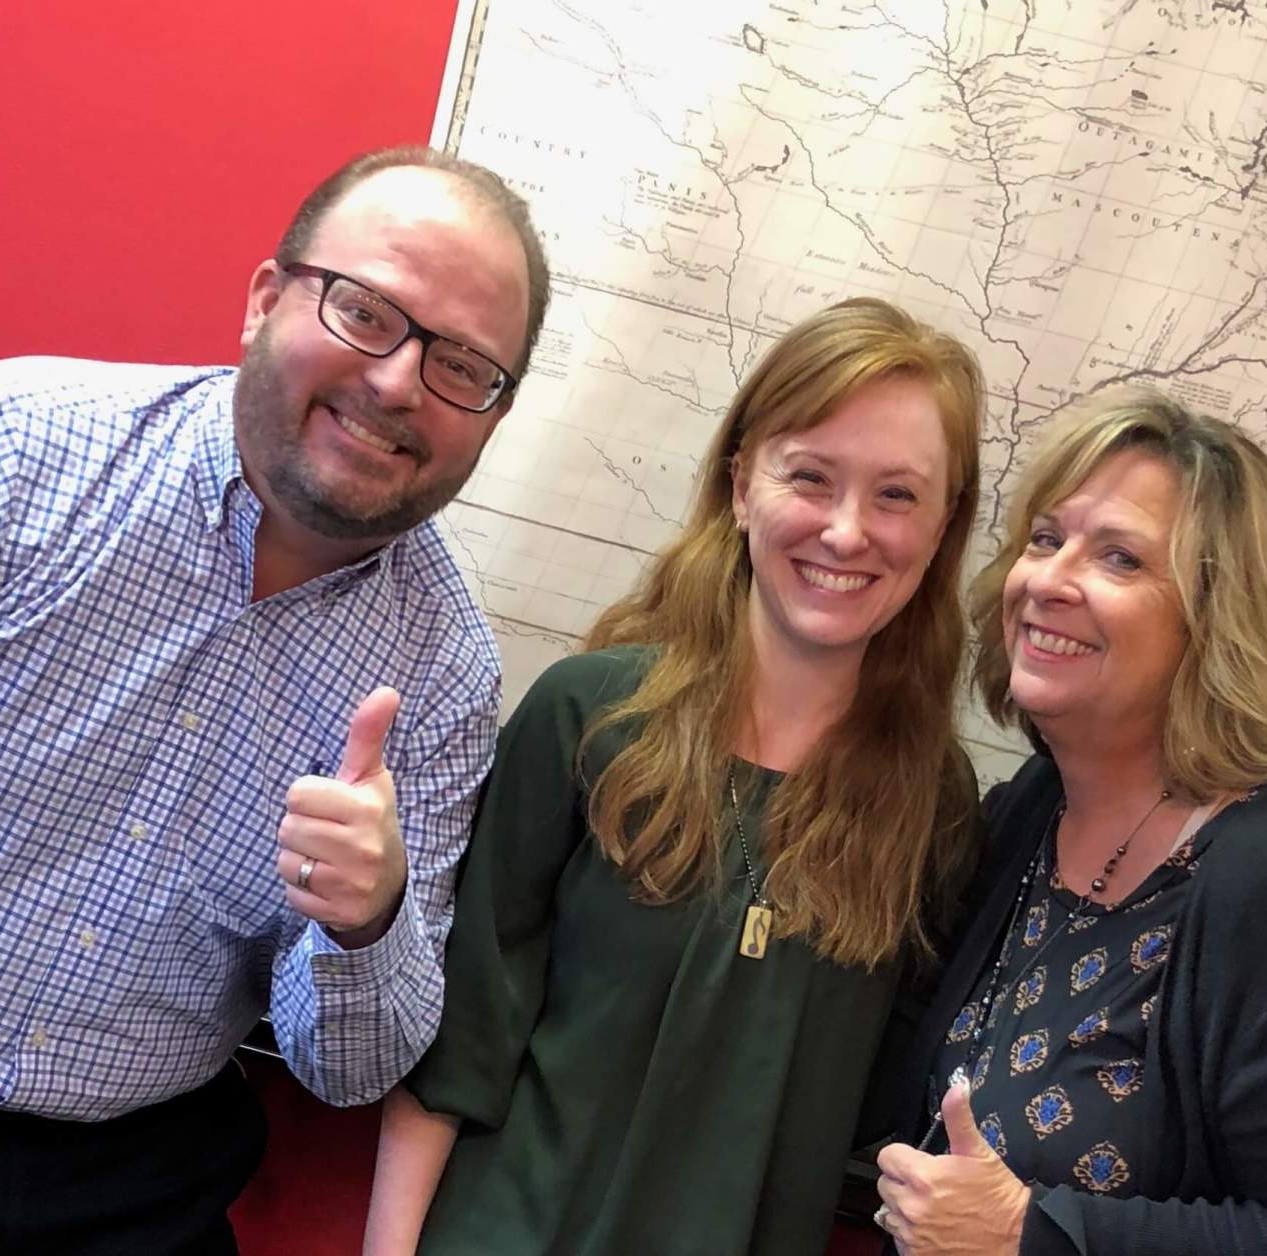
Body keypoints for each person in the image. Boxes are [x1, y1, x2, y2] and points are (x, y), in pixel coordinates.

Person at [0, 145, 550, 1254]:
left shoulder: (442, 673)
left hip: (131, 1192)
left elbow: (346, 1070)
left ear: (493, 416)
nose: (399, 381)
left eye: (464, 366)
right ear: (264, 299)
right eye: (365, 311)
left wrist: (368, 918)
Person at [363, 297, 986, 1256]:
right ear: (741, 487)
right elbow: (463, 1043)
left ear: (946, 527)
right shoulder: (588, 719)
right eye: (810, 477)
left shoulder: (935, 803)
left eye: (898, 495)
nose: (848, 531)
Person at [870, 387, 1267, 1255]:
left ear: (1215, 619)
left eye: (1121, 560)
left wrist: (1031, 1234)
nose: (1050, 582)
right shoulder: (1038, 806)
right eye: (1047, 538)